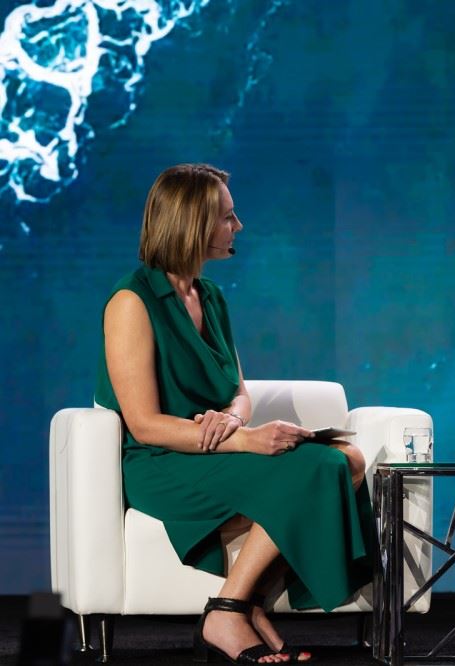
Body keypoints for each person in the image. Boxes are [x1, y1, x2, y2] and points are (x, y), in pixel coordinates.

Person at [95, 164, 373, 664]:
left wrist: (235, 420)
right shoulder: (131, 301)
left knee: (348, 459)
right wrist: (243, 441)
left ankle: (248, 602)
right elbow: (144, 424)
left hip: (214, 448)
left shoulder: (212, 297)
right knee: (320, 466)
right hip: (162, 461)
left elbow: (239, 392)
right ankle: (224, 611)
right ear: (191, 224)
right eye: (228, 216)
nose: (237, 226)